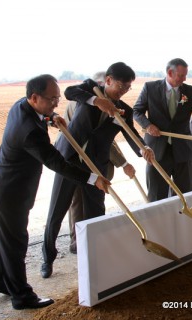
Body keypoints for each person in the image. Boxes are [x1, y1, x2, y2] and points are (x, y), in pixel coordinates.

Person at [0, 74, 110, 310]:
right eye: (52, 99)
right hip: (11, 193)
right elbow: (58, 163)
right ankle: (22, 297)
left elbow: (41, 115)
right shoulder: (29, 130)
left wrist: (51, 116)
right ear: (35, 97)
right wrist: (93, 179)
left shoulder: (21, 106)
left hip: (1, 185)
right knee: (15, 243)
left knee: (0, 240)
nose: (56, 102)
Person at [41, 62, 154, 278]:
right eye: (120, 86)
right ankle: (48, 258)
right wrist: (96, 101)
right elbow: (68, 92)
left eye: (127, 88)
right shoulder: (90, 89)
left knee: (95, 213)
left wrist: (144, 149)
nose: (123, 92)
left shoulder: (124, 111)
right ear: (108, 80)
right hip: (69, 160)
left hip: (96, 168)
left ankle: (95, 256)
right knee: (57, 211)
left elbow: (132, 136)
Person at [60, 71, 136, 254]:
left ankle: (95, 239)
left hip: (98, 162)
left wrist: (124, 163)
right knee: (77, 201)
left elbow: (108, 140)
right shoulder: (79, 105)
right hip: (75, 160)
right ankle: (77, 241)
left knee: (96, 202)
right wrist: (124, 163)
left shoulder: (116, 107)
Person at [133, 58, 192, 201]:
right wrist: (148, 125)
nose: (184, 79)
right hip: (156, 151)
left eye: (186, 75)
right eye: (181, 75)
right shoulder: (150, 88)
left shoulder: (191, 92)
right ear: (170, 72)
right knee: (156, 196)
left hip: (182, 150)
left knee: (186, 194)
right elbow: (137, 112)